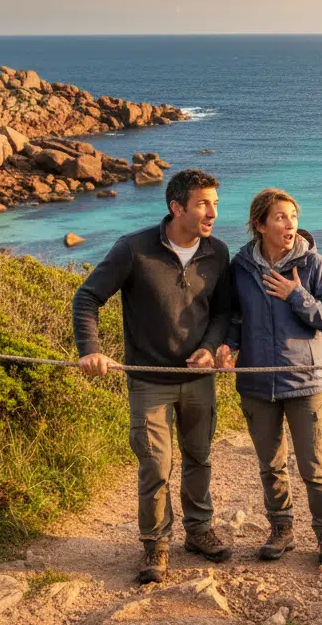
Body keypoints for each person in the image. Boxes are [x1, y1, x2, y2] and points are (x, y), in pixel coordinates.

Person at [72, 169, 234, 584]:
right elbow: (87, 298)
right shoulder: (133, 249)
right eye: (203, 203)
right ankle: (156, 545)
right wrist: (90, 351)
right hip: (148, 380)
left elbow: (222, 312)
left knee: (199, 459)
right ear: (176, 207)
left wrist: (210, 346)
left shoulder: (218, 252)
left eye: (215, 202)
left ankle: (198, 532)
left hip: (200, 380)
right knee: (155, 466)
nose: (212, 211)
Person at [218, 188, 322, 566]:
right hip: (257, 384)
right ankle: (282, 530)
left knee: (314, 466)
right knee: (270, 465)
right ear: (259, 225)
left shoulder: (314, 265)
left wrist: (296, 294)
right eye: (279, 217)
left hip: (305, 382)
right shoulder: (240, 268)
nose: (289, 223)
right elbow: (235, 318)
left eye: (292, 215)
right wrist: (227, 346)